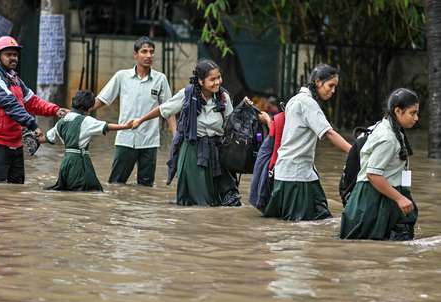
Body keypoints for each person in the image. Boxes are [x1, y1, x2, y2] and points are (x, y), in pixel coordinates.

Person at [132, 59, 259, 206]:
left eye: (219, 77)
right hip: (193, 152)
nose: (218, 82)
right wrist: (140, 120)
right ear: (200, 81)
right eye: (213, 79)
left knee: (225, 200)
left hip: (217, 151)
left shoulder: (223, 97)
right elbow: (164, 109)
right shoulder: (187, 94)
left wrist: (244, 110)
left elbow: (231, 124)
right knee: (199, 202)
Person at [263, 64, 351, 221]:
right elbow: (329, 133)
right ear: (318, 82)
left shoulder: (295, 99)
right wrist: (355, 152)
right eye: (330, 86)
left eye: (335, 87)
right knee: (298, 227)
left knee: (322, 218)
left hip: (299, 172)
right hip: (296, 175)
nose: (333, 91)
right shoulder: (308, 103)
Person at [0, 36, 68, 184]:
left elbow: (32, 101)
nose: (13, 58)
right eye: (8, 54)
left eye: (15, 54)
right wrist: (33, 125)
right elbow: (11, 104)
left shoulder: (16, 79)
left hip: (16, 143)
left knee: (16, 189)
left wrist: (56, 110)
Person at [90, 36, 175, 187]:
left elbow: (168, 109)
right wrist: (79, 111)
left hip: (149, 141)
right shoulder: (122, 76)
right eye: (144, 51)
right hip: (125, 139)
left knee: (146, 187)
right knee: (116, 183)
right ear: (135, 55)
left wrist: (176, 134)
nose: (148, 55)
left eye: (151, 52)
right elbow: (102, 100)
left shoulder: (160, 79)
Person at [340, 88, 419, 240]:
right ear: (398, 111)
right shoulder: (388, 138)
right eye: (412, 113)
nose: (416, 118)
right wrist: (400, 198)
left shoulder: (387, 127)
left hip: (381, 197)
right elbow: (373, 174)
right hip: (373, 200)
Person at [38, 91, 133, 191]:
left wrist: (36, 136)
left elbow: (44, 139)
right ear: (89, 108)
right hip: (80, 163)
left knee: (68, 192)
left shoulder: (62, 121)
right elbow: (107, 126)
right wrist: (126, 126)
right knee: (89, 192)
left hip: (66, 164)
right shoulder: (86, 121)